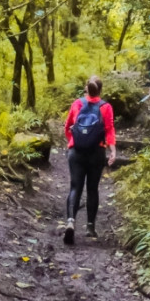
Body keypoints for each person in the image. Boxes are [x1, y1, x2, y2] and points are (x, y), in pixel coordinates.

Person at [62, 75, 117, 245]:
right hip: (96, 152)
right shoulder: (106, 107)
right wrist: (112, 150)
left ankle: (71, 221)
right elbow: (109, 129)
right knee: (92, 189)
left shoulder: (77, 103)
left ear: (86, 88)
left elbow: (67, 126)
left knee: (75, 186)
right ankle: (90, 227)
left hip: (76, 151)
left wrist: (72, 141)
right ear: (100, 90)